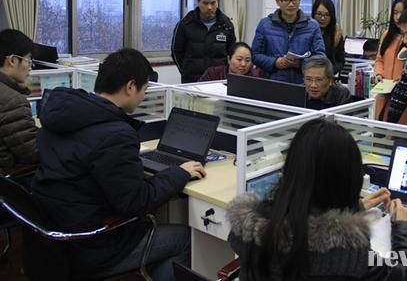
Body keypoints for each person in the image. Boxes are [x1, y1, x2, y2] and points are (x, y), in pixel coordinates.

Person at [31, 49, 206, 280]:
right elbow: (137, 202)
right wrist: (179, 172)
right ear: (130, 86)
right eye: (144, 89)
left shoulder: (61, 115)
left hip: (54, 236)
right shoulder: (115, 134)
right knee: (186, 240)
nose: (144, 96)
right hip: (92, 245)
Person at [226, 118, 407, 281]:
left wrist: (354, 209)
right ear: (347, 181)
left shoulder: (250, 227)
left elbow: (303, 216)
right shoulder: (350, 252)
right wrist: (406, 227)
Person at [252, 0, 325, 84]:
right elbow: (255, 55)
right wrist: (275, 62)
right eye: (286, 0)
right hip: (272, 82)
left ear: (300, 0)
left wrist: (300, 63)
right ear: (277, 1)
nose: (291, 4)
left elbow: (320, 57)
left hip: (303, 83)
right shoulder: (265, 25)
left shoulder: (312, 26)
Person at [171, 0, 236, 83]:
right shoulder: (185, 24)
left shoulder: (226, 25)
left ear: (217, 2)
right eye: (205, 3)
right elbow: (176, 52)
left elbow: (231, 53)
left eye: (213, 3)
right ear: (198, 2)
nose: (210, 7)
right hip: (192, 81)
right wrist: (185, 71)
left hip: (218, 80)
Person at [374, 0, 407, 124]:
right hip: (384, 97)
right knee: (380, 139)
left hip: (406, 100)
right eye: (395, 13)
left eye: (402, 13)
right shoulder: (387, 35)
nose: (398, 17)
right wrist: (378, 74)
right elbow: (379, 59)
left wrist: (405, 79)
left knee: (400, 140)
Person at [0, 29, 38, 174]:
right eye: (29, 60)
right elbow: (32, 153)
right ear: (12, 60)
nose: (30, 67)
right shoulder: (13, 101)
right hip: (8, 180)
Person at [311, 0, 345, 75]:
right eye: (319, 14)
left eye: (327, 15)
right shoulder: (307, 31)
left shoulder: (337, 33)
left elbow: (340, 61)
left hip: (328, 76)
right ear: (313, 14)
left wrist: (329, 71)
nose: (322, 18)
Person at [199, 42, 263, 81]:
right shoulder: (212, 73)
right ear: (229, 59)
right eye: (239, 59)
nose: (243, 64)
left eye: (247, 60)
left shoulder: (256, 77)